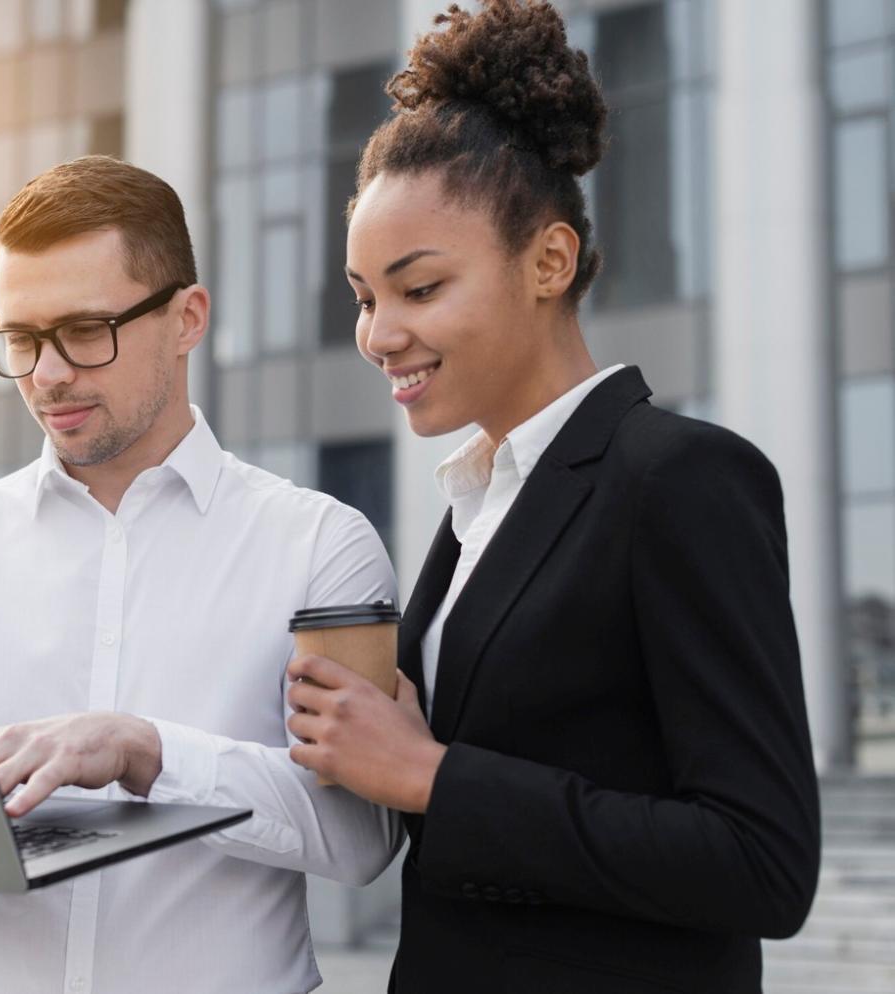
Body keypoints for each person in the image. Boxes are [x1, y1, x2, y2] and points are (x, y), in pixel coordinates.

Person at [282, 3, 822, 992]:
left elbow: (763, 860)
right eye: (364, 296)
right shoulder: (473, 511)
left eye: (419, 287)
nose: (379, 333)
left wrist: (432, 772)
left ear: (549, 261)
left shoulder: (680, 478)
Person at [0, 155, 399, 994]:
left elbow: (359, 842)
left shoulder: (321, 543)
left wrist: (146, 749)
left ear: (187, 318)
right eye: (21, 338)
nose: (48, 373)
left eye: (84, 331)